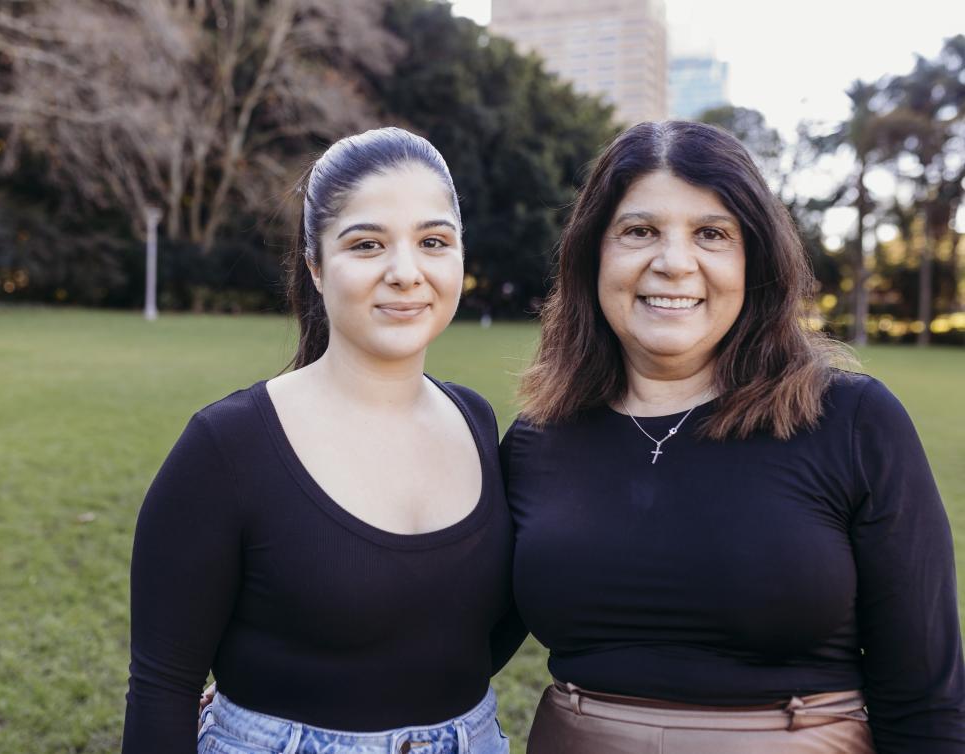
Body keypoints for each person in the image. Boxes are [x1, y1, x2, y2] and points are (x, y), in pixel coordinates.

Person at [502, 120, 965, 753]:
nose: (673, 262)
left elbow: (926, 701)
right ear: (593, 255)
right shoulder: (537, 438)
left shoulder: (855, 422)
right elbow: (445, 646)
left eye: (711, 234)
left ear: (756, 260)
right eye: (639, 231)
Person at [123, 127, 524, 754]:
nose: (405, 272)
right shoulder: (227, 446)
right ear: (315, 265)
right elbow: (161, 688)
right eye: (367, 244)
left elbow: (469, 635)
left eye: (433, 241)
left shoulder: (477, 421)